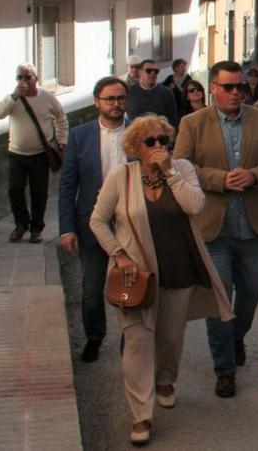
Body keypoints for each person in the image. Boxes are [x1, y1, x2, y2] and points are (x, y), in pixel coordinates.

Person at [88, 115, 233, 446]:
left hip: (178, 268)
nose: (159, 147)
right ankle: (141, 415)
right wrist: (118, 254)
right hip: (136, 274)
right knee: (138, 341)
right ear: (135, 147)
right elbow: (98, 220)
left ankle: (166, 380)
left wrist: (169, 171)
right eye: (150, 142)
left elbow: (195, 205)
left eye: (163, 141)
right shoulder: (120, 176)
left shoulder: (182, 169)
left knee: (170, 337)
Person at [173, 61, 258, 398]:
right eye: (229, 87)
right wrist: (219, 180)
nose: (237, 92)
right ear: (214, 89)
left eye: (241, 87)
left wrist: (253, 175)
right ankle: (224, 369)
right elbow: (181, 167)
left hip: (252, 226)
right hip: (213, 226)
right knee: (219, 300)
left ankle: (236, 335)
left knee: (252, 291)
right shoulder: (193, 123)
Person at [58, 76, 129, 362]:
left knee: (130, 283)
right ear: (96, 102)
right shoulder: (80, 135)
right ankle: (94, 337)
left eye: (121, 98)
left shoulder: (140, 132)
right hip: (92, 224)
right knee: (91, 287)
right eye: (110, 99)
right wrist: (66, 228)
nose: (116, 104)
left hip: (130, 221)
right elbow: (67, 185)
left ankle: (131, 340)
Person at [0, 63, 68, 243]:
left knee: (39, 193)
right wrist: (13, 96)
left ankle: (36, 228)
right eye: (20, 77)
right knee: (15, 190)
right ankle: (21, 224)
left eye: (27, 77)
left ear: (36, 78)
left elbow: (61, 119)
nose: (23, 81)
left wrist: (62, 140)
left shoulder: (47, 98)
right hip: (17, 154)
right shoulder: (13, 99)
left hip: (40, 154)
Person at [126, 60, 180, 127]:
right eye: (149, 71)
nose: (152, 73)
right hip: (135, 135)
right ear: (140, 72)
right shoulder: (129, 92)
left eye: (156, 71)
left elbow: (173, 119)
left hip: (160, 136)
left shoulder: (166, 92)